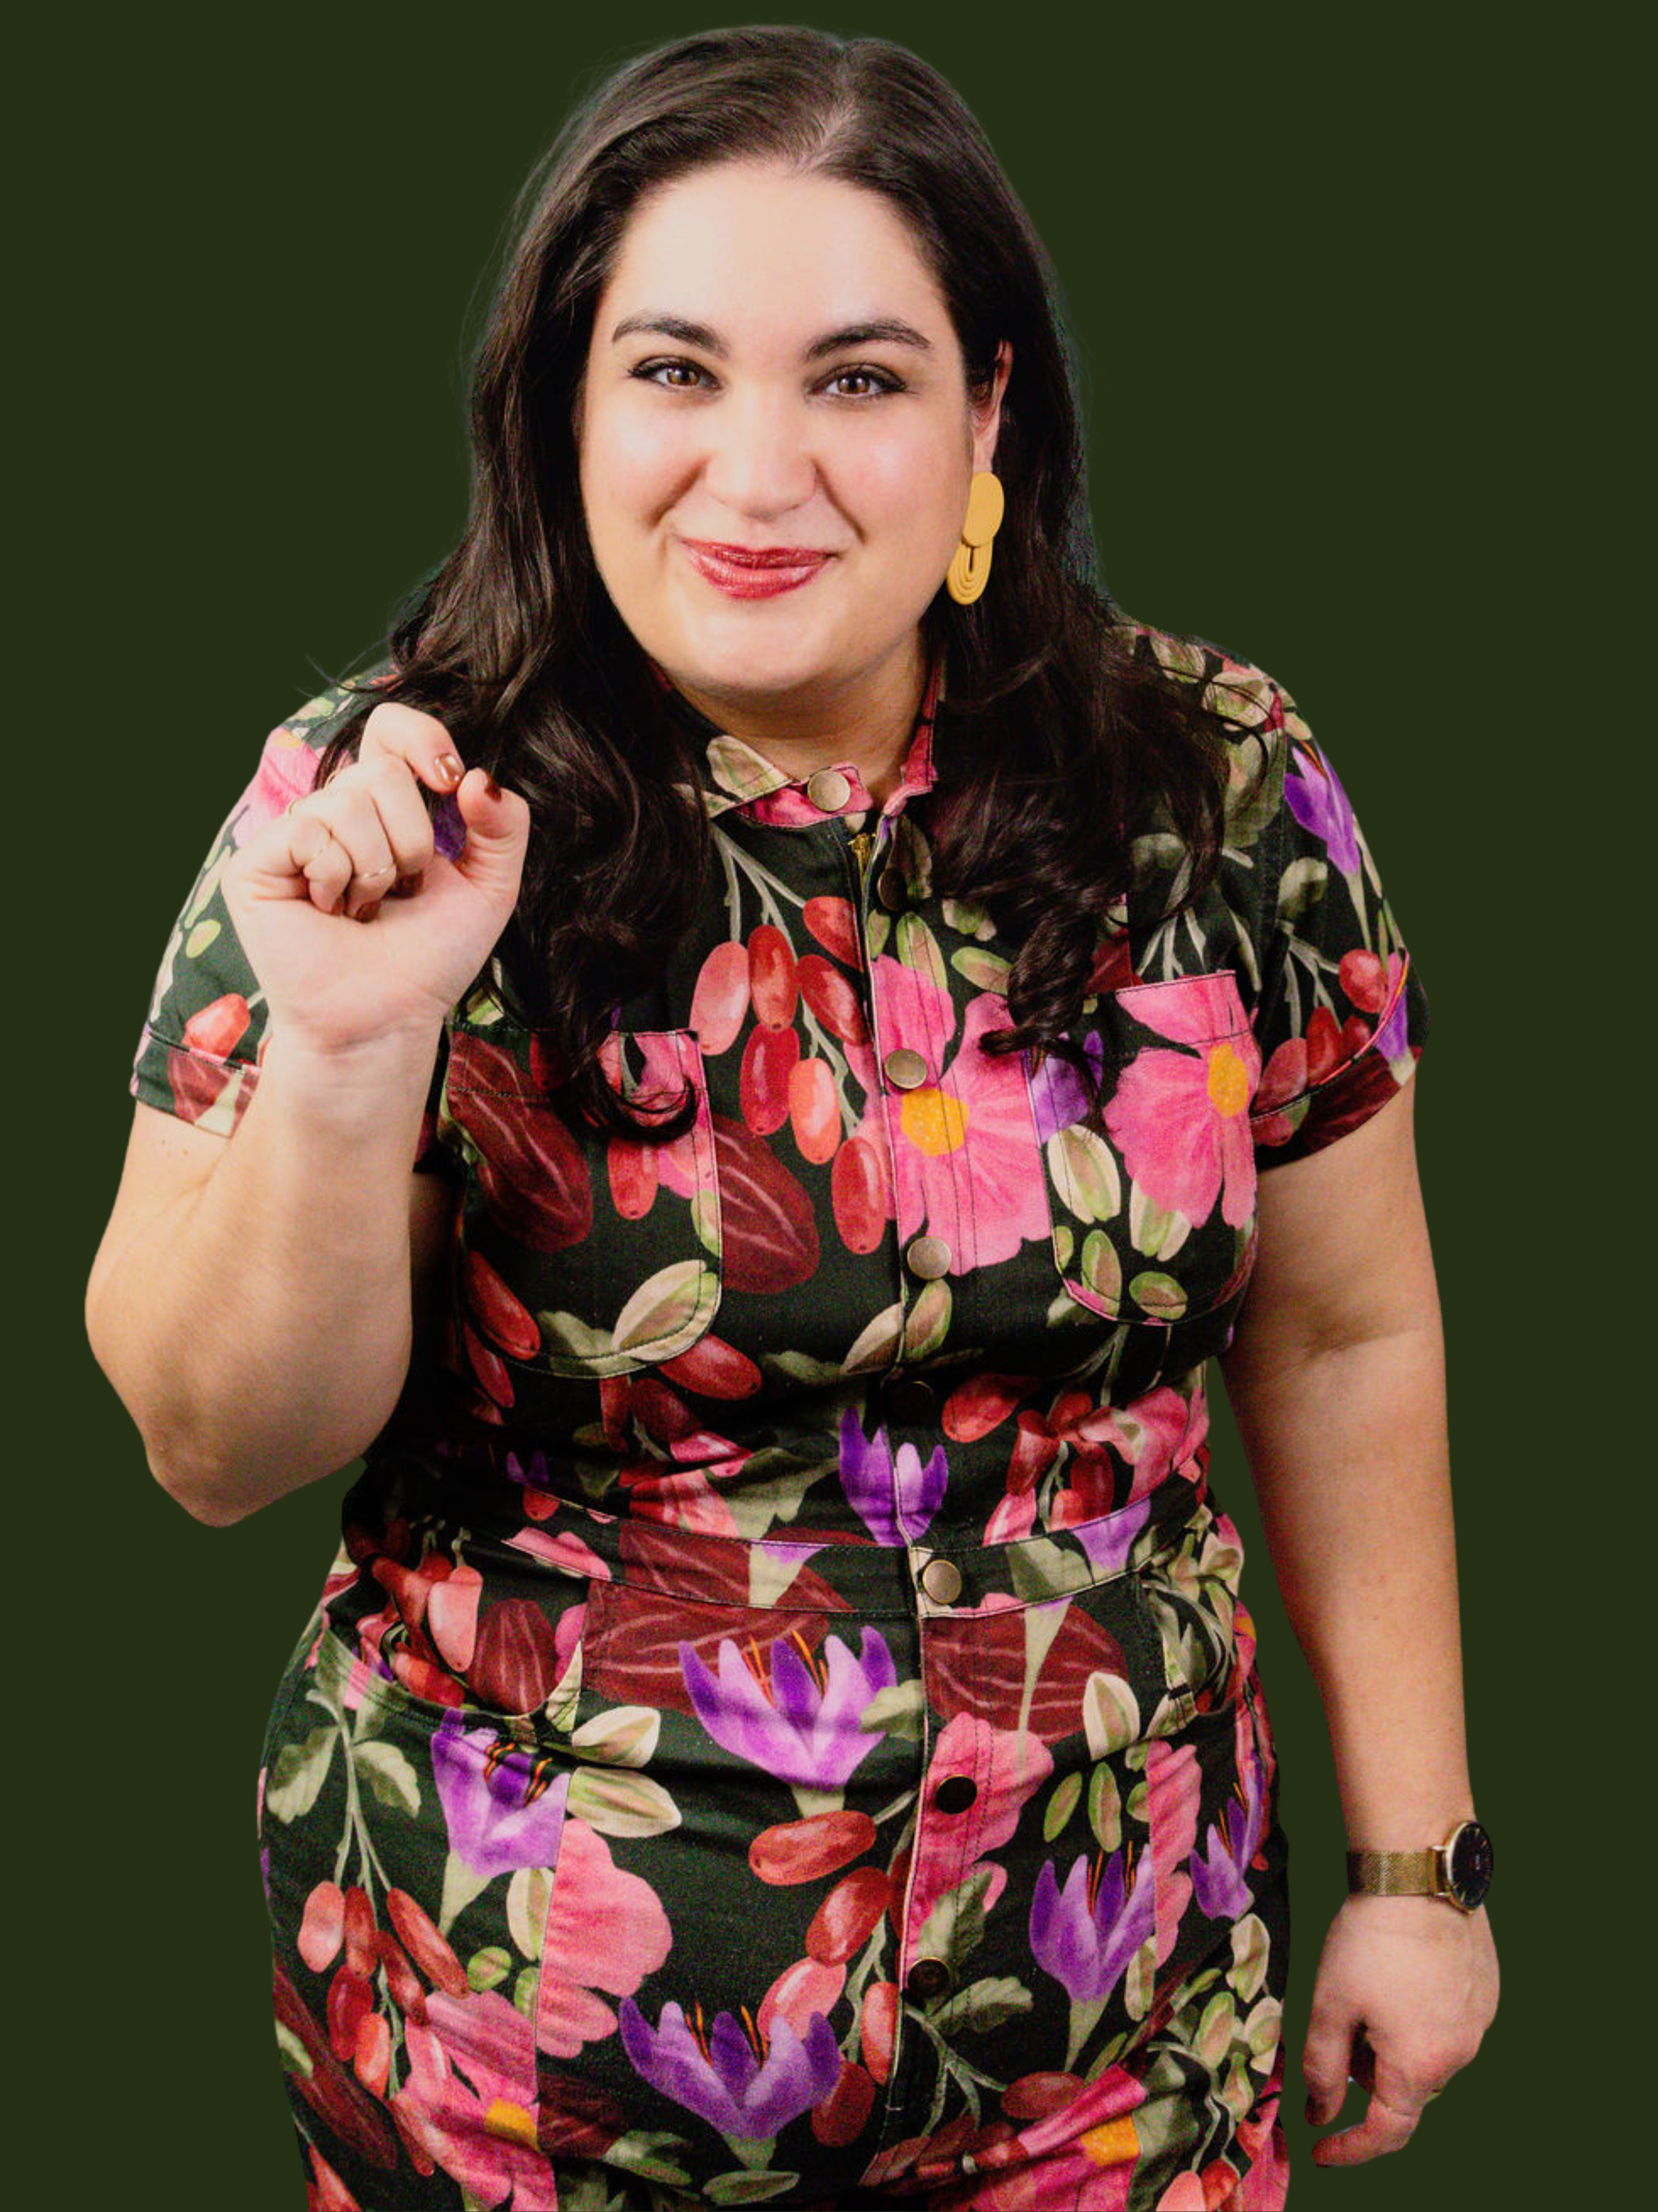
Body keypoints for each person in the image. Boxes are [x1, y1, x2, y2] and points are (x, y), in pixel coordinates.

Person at [84, 25, 1498, 2212]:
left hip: (1123, 2047)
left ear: (987, 416)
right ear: (561, 414)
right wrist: (356, 1056)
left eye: (856, 377)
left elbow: (1338, 1337)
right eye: (670, 371)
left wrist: (1418, 1863)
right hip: (522, 2060)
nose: (759, 472)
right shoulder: (374, 808)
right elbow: (212, 1444)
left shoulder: (1212, 781)